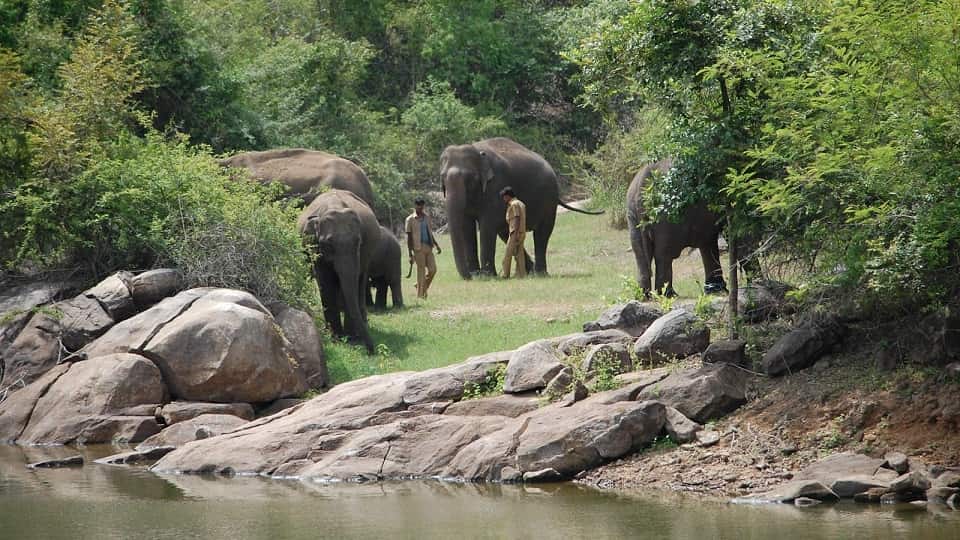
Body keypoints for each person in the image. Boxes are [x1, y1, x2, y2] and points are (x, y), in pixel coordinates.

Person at [405, 196, 441, 299]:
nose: (420, 209)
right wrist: (410, 254)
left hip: (428, 247)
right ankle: (421, 295)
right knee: (421, 271)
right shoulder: (410, 220)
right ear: (415, 206)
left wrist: (437, 245)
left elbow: (430, 233)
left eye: (422, 207)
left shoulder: (427, 217)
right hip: (418, 248)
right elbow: (409, 238)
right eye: (418, 207)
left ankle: (419, 286)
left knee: (433, 270)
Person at [500, 186, 527, 278]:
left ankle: (505, 274)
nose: (503, 199)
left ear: (508, 196)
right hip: (522, 232)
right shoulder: (521, 203)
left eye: (504, 197)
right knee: (519, 254)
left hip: (514, 233)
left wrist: (514, 234)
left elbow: (517, 217)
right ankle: (521, 274)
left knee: (507, 254)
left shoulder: (514, 204)